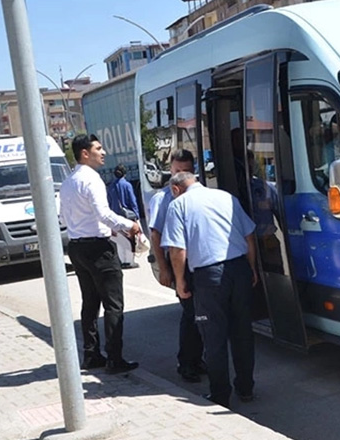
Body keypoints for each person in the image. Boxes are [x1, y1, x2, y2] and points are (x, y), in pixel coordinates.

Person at [162, 172, 258, 408]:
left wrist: (180, 281)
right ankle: (246, 388)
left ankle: (220, 394)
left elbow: (177, 250)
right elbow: (249, 236)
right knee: (242, 333)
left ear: (176, 189)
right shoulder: (226, 197)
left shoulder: (178, 205)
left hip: (208, 277)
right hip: (239, 269)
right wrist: (252, 268)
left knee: (214, 337)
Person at [60, 134, 140, 374]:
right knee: (114, 304)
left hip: (77, 247)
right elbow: (104, 213)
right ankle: (115, 359)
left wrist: (106, 230)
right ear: (85, 153)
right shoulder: (91, 179)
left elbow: (64, 218)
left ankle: (92, 354)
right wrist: (129, 226)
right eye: (98, 148)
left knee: (90, 302)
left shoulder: (68, 181)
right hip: (97, 249)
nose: (103, 152)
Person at [147, 149, 205, 383]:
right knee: (191, 316)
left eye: (186, 171)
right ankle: (186, 363)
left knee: (202, 315)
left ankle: (196, 359)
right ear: (170, 169)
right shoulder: (163, 199)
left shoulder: (198, 194)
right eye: (177, 170)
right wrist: (164, 269)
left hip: (199, 262)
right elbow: (156, 236)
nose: (180, 175)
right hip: (179, 264)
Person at [107, 164, 140, 269]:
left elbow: (109, 202)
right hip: (127, 217)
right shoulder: (127, 185)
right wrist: (137, 216)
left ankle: (122, 261)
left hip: (115, 216)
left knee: (120, 239)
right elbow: (132, 201)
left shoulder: (110, 186)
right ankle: (130, 261)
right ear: (125, 173)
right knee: (130, 239)